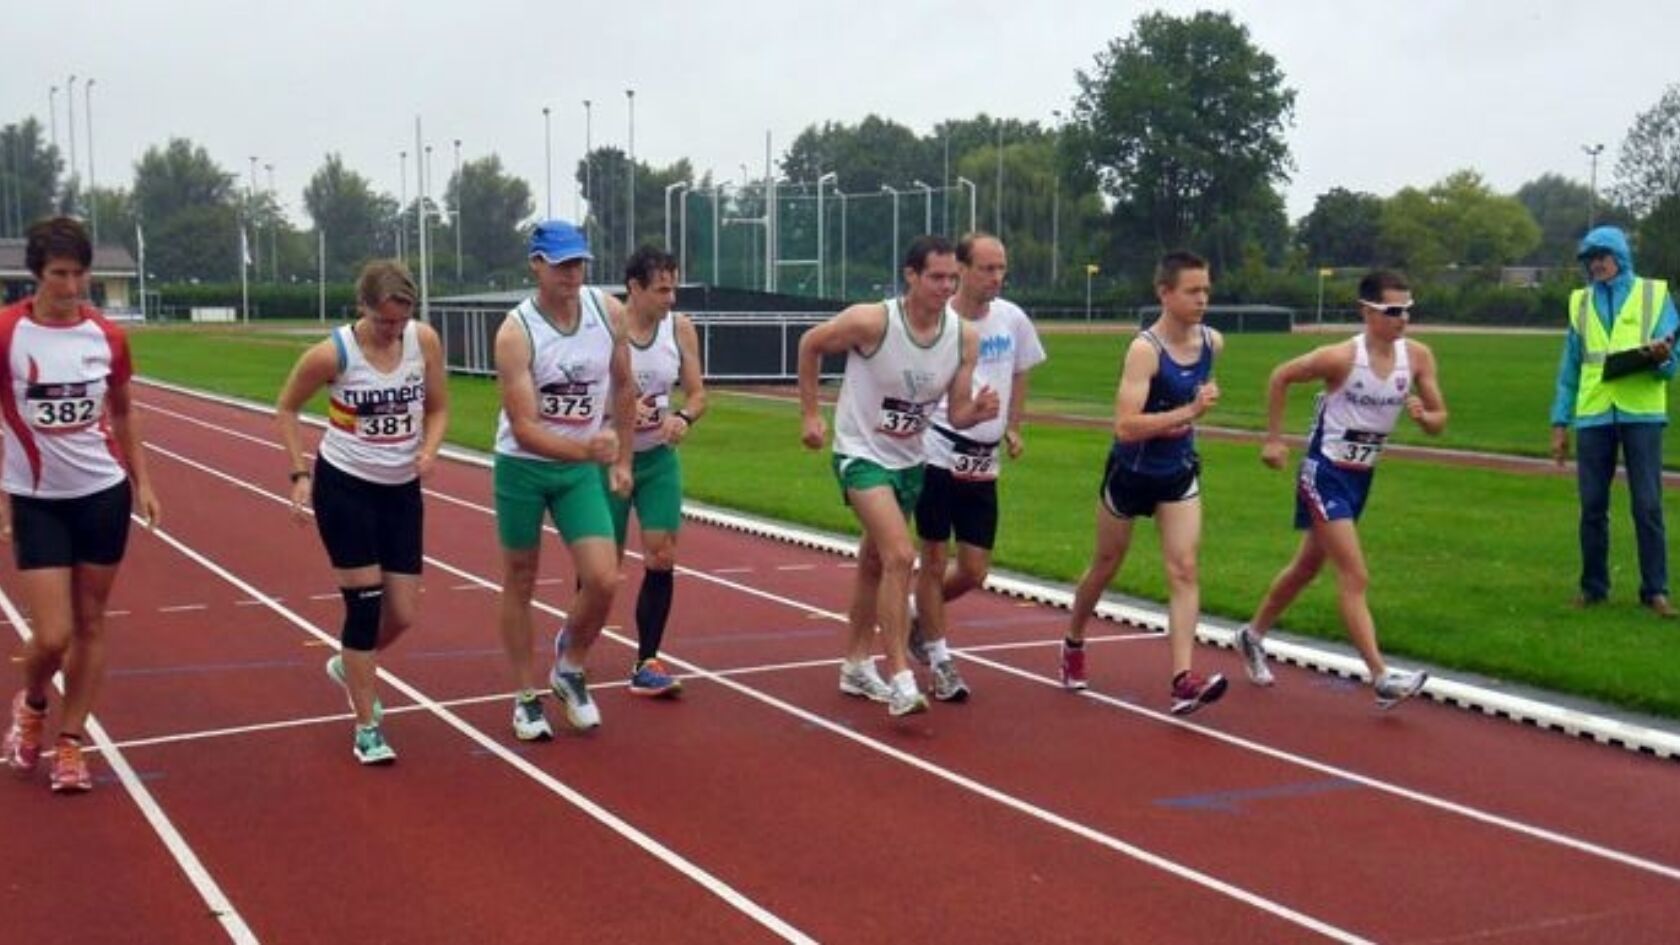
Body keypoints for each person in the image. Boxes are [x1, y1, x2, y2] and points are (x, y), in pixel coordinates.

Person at [798, 235, 999, 717]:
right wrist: (809, 415)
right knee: (900, 555)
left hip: (909, 461)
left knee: (874, 562)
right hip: (860, 454)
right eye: (936, 277)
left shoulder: (962, 336)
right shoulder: (872, 321)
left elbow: (959, 409)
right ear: (911, 276)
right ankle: (902, 678)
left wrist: (979, 412)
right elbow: (810, 344)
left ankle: (854, 664)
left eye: (952, 278)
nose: (945, 287)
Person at [1233, 269, 1447, 708]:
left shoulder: (1419, 357)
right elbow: (1280, 376)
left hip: (1361, 477)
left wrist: (1427, 419)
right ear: (1366, 312)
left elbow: (1440, 418)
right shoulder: (1340, 358)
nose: (1402, 319)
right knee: (1355, 574)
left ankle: (1251, 635)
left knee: (1307, 567)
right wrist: (1273, 440)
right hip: (1324, 471)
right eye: (1392, 311)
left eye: (1407, 309)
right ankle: (1381, 677)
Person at [0, 216, 161, 792]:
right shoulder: (7, 333)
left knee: (91, 624)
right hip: (38, 500)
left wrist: (141, 480)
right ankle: (34, 701)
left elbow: (123, 409)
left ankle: (70, 743)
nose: (71, 286)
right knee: (52, 635)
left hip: (101, 494)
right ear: (37, 275)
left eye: (80, 274)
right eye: (60, 275)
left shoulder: (107, 337)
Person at [276, 260, 448, 764]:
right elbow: (286, 408)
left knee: (403, 614)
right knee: (365, 604)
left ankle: (349, 665)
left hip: (401, 490)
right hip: (345, 486)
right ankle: (367, 724)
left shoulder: (424, 343)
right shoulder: (332, 354)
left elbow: (438, 407)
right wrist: (299, 474)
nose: (393, 331)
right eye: (384, 321)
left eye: (401, 321)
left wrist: (431, 450)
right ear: (364, 309)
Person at [1059, 250, 1227, 716]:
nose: (1202, 299)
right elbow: (1125, 426)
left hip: (1176, 473)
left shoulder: (1213, 342)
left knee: (1184, 567)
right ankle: (1073, 639)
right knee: (1106, 564)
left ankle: (1183, 680)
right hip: (1131, 473)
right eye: (1192, 291)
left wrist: (1187, 420)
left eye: (1206, 290)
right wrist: (1188, 413)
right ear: (1165, 293)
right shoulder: (1143, 350)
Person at [493, 220, 635, 739]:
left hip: (579, 469)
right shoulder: (516, 334)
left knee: (603, 578)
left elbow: (625, 384)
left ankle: (569, 665)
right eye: (561, 265)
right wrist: (588, 448)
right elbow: (527, 429)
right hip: (522, 469)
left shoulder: (608, 311)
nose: (572, 274)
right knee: (521, 579)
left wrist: (622, 460)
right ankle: (524, 695)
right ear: (536, 264)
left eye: (579, 264)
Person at [908, 233, 1046, 702]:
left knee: (973, 570)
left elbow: (1023, 368)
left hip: (983, 459)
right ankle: (941, 659)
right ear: (962, 270)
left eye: (1001, 268)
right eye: (987, 268)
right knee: (931, 559)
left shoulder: (1012, 319)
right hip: (938, 451)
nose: (996, 278)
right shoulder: (940, 323)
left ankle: (917, 616)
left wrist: (1012, 424)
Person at [1548, 226, 1677, 617]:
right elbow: (1570, 367)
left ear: (1620, 256)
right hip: (1593, 415)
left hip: (1642, 413)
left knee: (1648, 505)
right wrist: (1559, 422)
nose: (1596, 264)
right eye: (1589, 258)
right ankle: (1593, 588)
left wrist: (1661, 359)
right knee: (1591, 506)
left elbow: (1672, 364)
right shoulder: (1579, 303)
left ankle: (1655, 590)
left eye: (1602, 256)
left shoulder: (1655, 295)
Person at [605, 246, 706, 698]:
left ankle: (647, 660)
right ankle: (575, 646)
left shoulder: (679, 329)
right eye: (662, 289)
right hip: (607, 461)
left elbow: (700, 394)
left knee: (662, 556)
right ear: (635, 287)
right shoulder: (607, 329)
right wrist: (620, 411)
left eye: (674, 287)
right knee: (600, 569)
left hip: (658, 459)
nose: (671, 298)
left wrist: (682, 418)